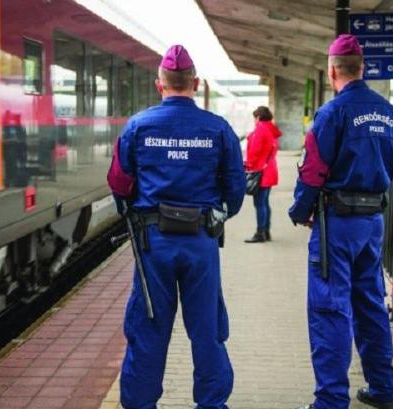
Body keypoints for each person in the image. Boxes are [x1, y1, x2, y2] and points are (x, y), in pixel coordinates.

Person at [107, 44, 245, 409]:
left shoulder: (138, 127)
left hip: (153, 244)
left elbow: (119, 185)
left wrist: (135, 215)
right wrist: (216, 218)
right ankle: (212, 404)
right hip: (200, 242)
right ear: (195, 84)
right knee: (207, 330)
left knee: (148, 329)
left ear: (159, 84)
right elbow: (235, 189)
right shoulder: (217, 129)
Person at [289, 34, 393, 409]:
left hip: (336, 224)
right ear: (362, 68)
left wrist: (299, 210)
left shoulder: (332, 113)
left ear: (332, 69)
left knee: (330, 308)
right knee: (370, 303)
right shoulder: (388, 111)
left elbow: (313, 170)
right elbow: (390, 164)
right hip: (372, 222)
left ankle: (331, 400)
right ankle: (384, 390)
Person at [244, 106, 282, 243]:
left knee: (259, 203)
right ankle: (266, 231)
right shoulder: (271, 129)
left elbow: (255, 151)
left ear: (258, 117)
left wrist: (247, 165)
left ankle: (260, 233)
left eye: (254, 118)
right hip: (270, 170)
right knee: (265, 202)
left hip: (261, 171)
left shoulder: (260, 129)